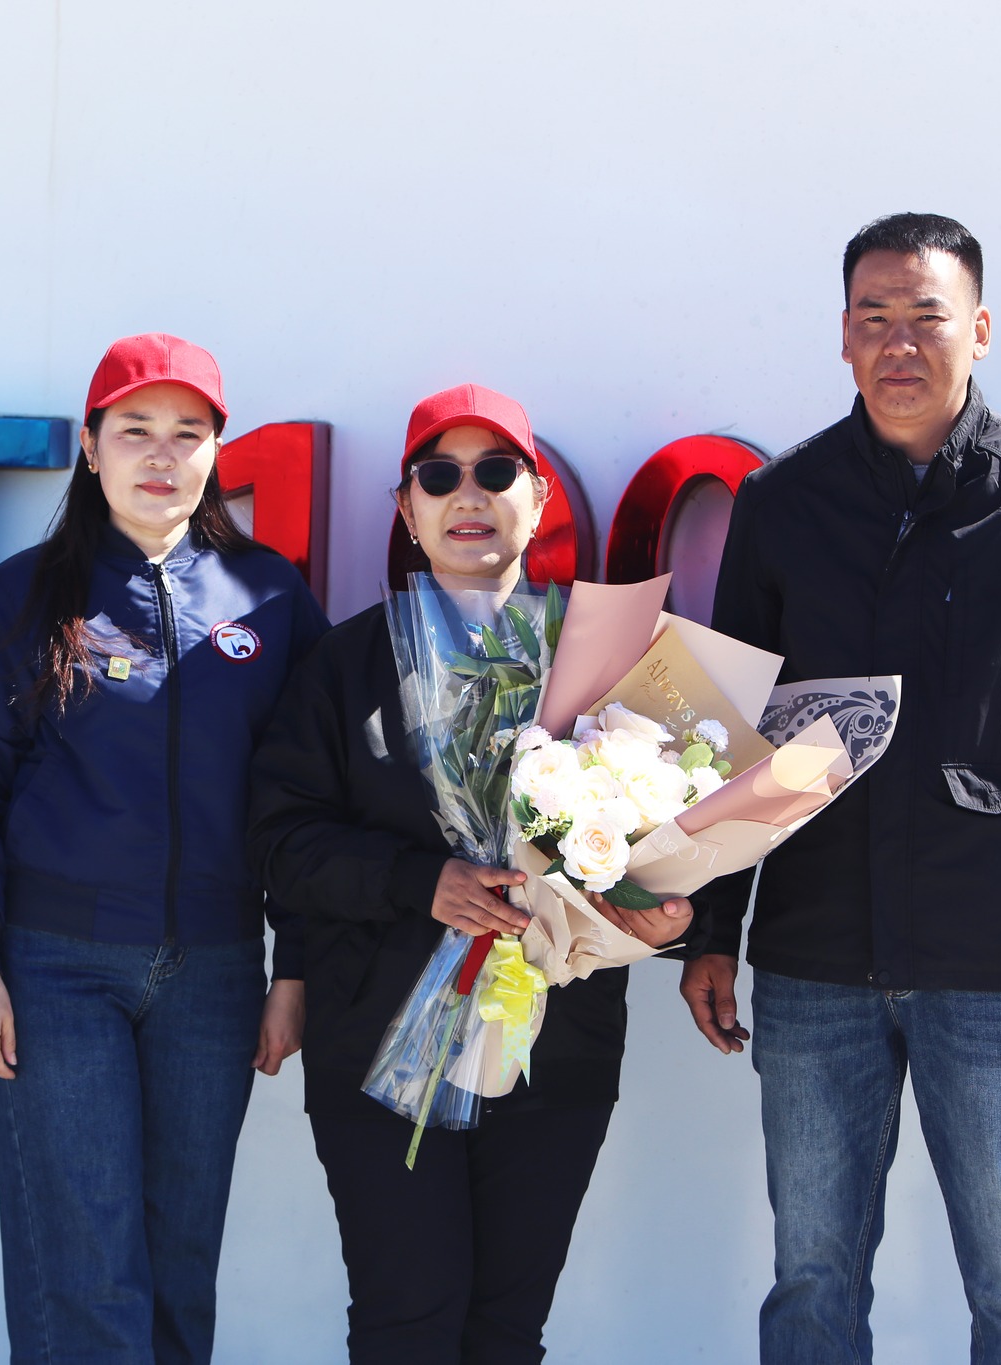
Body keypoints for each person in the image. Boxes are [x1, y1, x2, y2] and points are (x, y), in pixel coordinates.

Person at [678, 213, 1001, 1364]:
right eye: (873, 319)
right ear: (842, 336)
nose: (898, 345)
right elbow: (723, 734)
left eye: (926, 319)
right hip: (812, 956)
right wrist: (709, 930)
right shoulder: (782, 504)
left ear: (978, 330)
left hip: (995, 964)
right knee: (810, 1280)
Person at [246, 384, 696, 1365]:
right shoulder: (345, 665)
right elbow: (283, 839)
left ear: (538, 499)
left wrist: (662, 919)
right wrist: (421, 880)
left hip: (552, 1048)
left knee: (505, 1331)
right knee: (408, 1319)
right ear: (406, 508)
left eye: (496, 472)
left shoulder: (608, 664)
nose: (469, 494)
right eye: (439, 475)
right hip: (378, 1041)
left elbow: (670, 831)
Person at [0, 333, 326, 1364]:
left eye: (187, 433)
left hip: (217, 972)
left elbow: (309, 801)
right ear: (90, 447)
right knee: (87, 1274)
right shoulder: (26, 594)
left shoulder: (270, 598)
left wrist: (294, 969)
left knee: (180, 1270)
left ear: (216, 452)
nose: (160, 454)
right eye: (135, 429)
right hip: (56, 967)